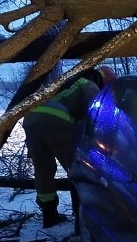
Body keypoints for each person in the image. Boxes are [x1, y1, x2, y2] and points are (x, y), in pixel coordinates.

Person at [23, 66, 116, 227]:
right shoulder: (90, 86)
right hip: (55, 121)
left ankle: (49, 214)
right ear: (105, 81)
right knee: (76, 168)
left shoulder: (72, 79)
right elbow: (98, 118)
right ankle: (81, 214)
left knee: (43, 169)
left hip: (31, 119)